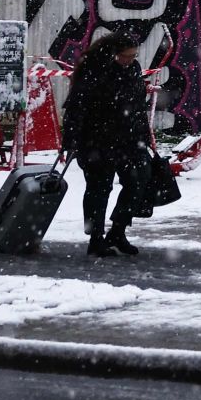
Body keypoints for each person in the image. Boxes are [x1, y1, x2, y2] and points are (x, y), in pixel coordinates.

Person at [60, 28, 153, 258]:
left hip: (128, 139)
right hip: (96, 140)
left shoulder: (132, 69)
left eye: (134, 56)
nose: (131, 60)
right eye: (127, 56)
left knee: (138, 180)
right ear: (113, 53)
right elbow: (76, 106)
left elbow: (138, 104)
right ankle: (96, 238)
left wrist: (144, 134)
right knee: (99, 188)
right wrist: (71, 140)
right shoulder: (94, 69)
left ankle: (118, 231)